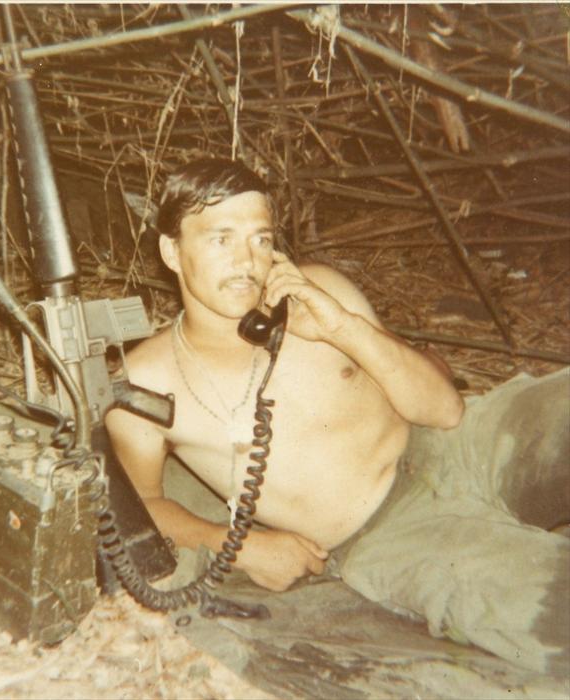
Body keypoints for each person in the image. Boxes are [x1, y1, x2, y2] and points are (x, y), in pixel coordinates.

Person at [106, 158, 569, 677]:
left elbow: (446, 409)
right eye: (221, 239)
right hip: (390, 533)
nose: (247, 261)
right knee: (551, 608)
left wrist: (342, 327)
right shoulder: (146, 380)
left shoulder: (318, 289)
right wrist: (242, 548)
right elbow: (143, 506)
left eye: (260, 239)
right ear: (172, 250)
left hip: (458, 444)